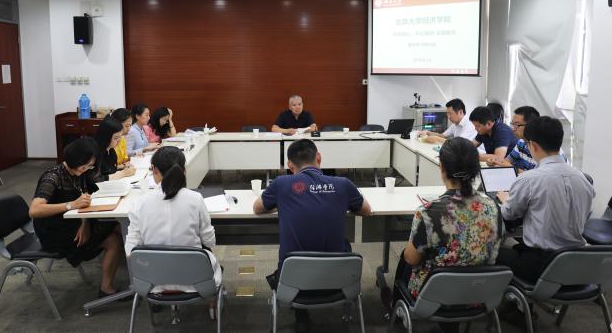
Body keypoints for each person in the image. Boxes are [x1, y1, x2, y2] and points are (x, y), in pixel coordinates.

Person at [253, 139, 371, 332]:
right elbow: (366, 210)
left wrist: (283, 202)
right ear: (319, 157)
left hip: (293, 284)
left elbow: (257, 208)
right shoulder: (342, 184)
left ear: (290, 165)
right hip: (340, 283)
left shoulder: (282, 184)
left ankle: (301, 315)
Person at [391, 137, 502, 333]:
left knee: (406, 256)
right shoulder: (492, 206)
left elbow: (412, 258)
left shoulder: (429, 211)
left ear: (442, 168)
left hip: (433, 296)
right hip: (479, 293)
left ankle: (396, 313)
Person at [125, 146, 222, 319]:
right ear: (183, 171)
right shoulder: (195, 199)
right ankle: (211, 302)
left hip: (151, 283)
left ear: (154, 170)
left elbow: (130, 250)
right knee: (208, 255)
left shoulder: (139, 203)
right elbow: (210, 241)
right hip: (195, 281)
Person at [496, 116, 594, 283]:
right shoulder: (583, 180)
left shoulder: (529, 179)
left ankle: (514, 296)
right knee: (518, 247)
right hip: (576, 263)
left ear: (533, 145)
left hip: (541, 265)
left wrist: (505, 199)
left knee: (490, 252)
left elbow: (508, 214)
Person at [29, 137, 125, 297]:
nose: (87, 169)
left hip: (74, 222)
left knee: (118, 226)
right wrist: (71, 205)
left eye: (90, 165)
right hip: (55, 231)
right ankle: (106, 288)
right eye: (85, 165)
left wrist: (84, 222)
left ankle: (139, 275)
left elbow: (85, 200)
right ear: (75, 159)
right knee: (114, 239)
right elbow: (34, 210)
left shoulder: (79, 173)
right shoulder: (52, 177)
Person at [92, 117, 136, 182]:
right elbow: (96, 179)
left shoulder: (110, 149)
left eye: (120, 136)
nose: (119, 140)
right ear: (106, 137)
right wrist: (123, 173)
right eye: (116, 138)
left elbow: (109, 169)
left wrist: (122, 167)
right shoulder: (95, 152)